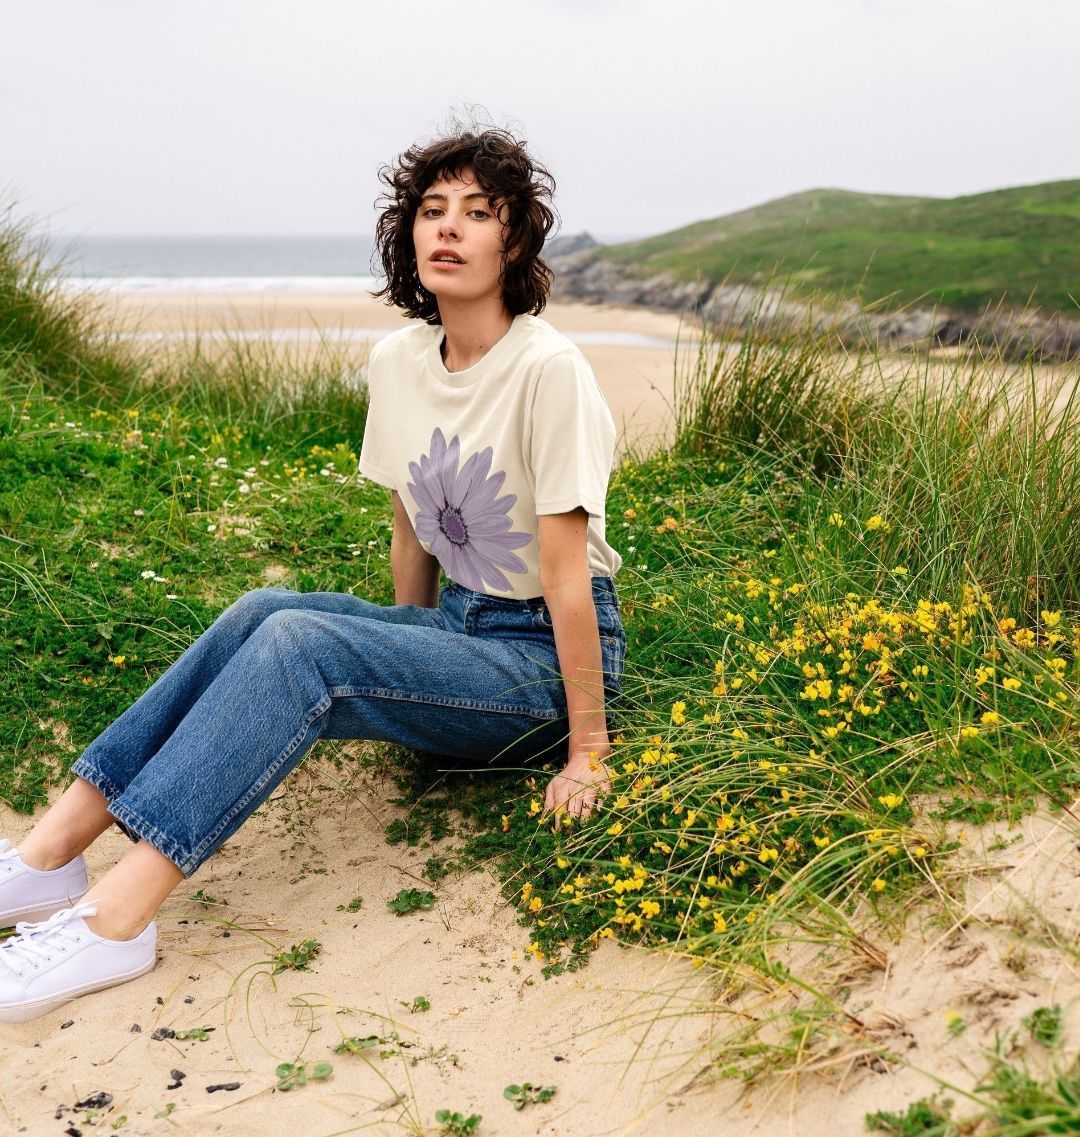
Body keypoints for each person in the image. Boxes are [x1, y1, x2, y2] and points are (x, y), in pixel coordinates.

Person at [0, 125, 626, 1024]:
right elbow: (411, 525)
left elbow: (567, 579)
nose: (449, 228)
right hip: (457, 627)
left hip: (543, 666)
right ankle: (51, 852)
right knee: (265, 607)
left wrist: (588, 751)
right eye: (432, 209)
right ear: (408, 233)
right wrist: (401, 652)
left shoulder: (548, 370)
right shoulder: (399, 361)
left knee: (304, 645)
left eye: (479, 213)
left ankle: (118, 915)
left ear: (514, 241)